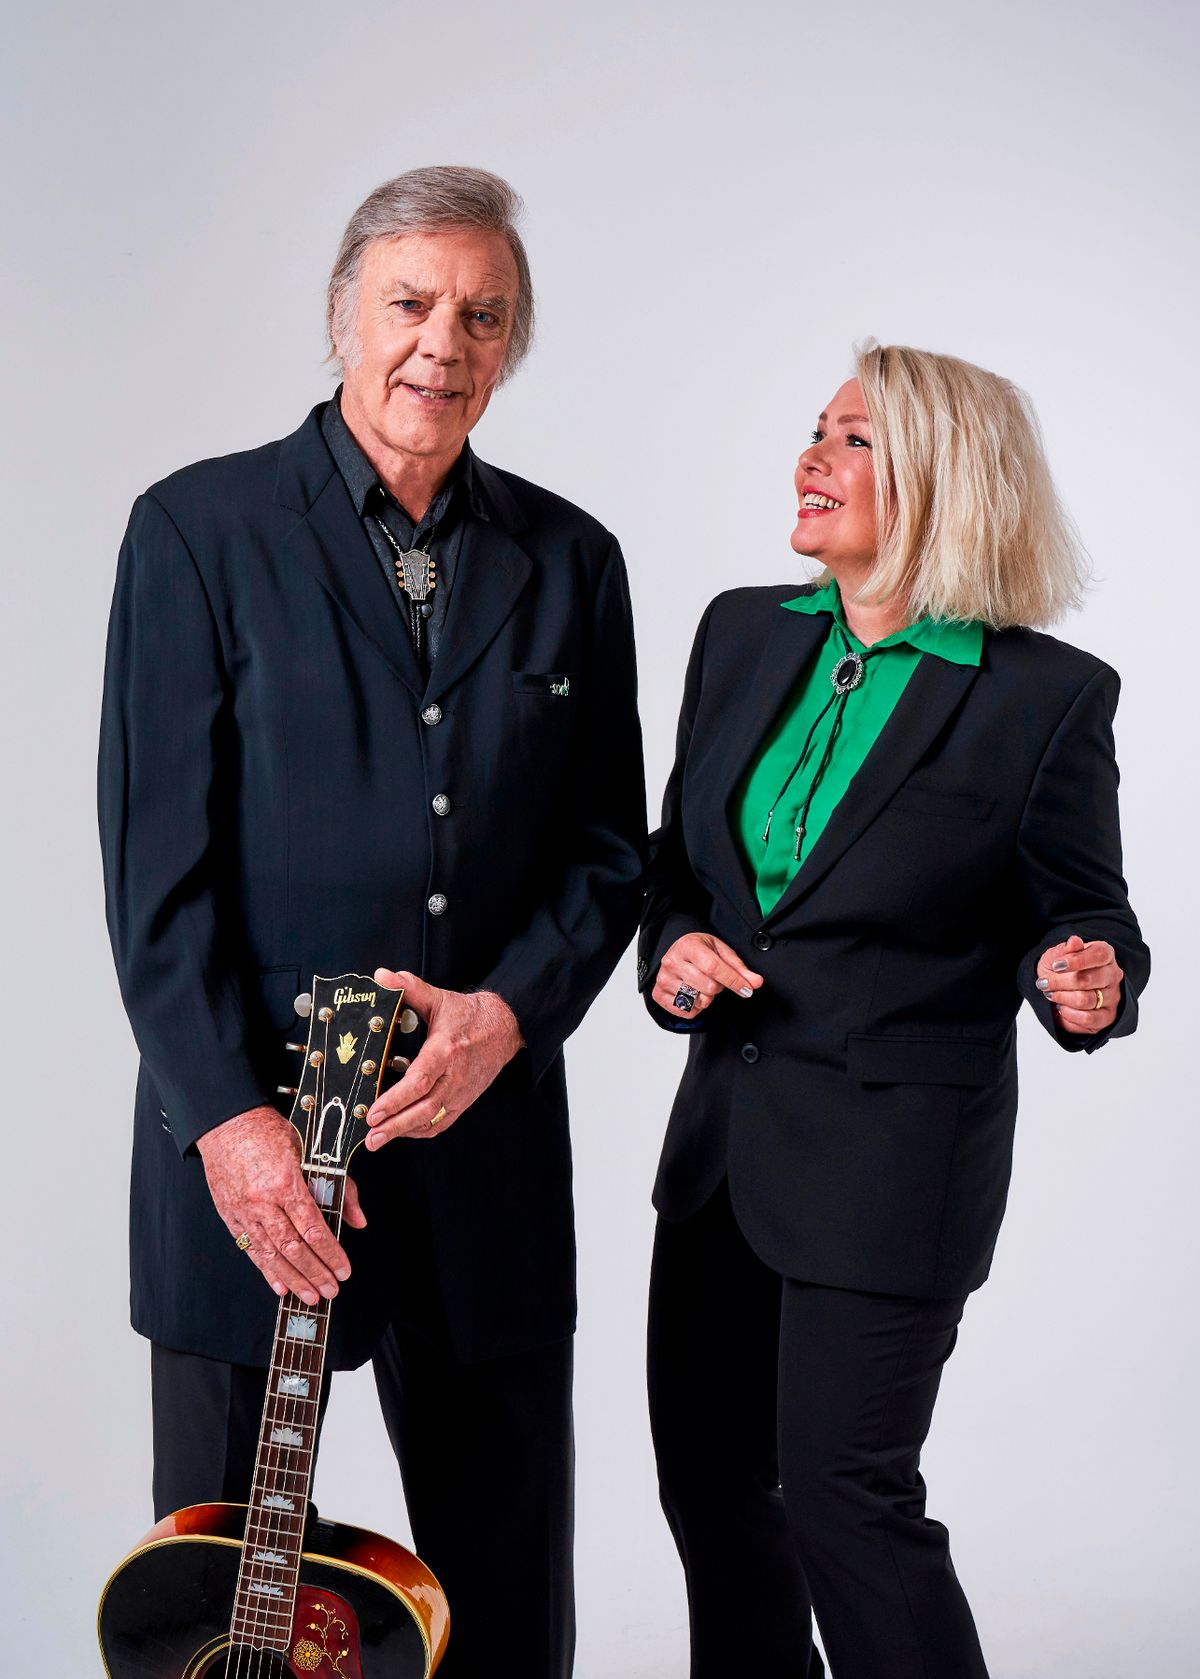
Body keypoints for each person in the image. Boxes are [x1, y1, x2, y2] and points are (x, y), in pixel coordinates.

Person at [99, 165, 645, 1679]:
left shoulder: (573, 561)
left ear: (511, 345)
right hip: (255, 1164)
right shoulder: (197, 531)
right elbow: (156, 876)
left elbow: (608, 852)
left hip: (484, 1153)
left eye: (484, 315)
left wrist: (512, 1012)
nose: (441, 343)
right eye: (411, 303)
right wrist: (229, 1125)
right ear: (346, 313)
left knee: (506, 1595)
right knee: (222, 1609)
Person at [637, 341, 1149, 1679]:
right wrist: (679, 943)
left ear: (945, 478)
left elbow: (1084, 911)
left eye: (855, 439)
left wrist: (1088, 975)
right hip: (723, 1154)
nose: (812, 458)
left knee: (841, 1499)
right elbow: (680, 866)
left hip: (890, 1162)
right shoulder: (744, 631)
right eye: (816, 429)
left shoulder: (1041, 697)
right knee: (712, 1491)